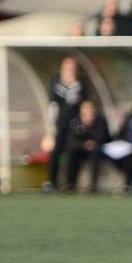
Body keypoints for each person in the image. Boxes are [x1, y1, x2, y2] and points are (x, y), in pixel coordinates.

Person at [45, 57, 86, 192]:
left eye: (72, 69)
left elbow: (84, 105)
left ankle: (70, 184)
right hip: (59, 125)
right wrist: (49, 131)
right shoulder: (56, 83)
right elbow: (52, 106)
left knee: (73, 152)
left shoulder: (81, 85)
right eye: (67, 68)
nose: (70, 71)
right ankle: (51, 182)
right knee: (55, 152)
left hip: (74, 127)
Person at [62, 99, 111, 192]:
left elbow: (105, 136)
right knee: (72, 153)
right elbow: (71, 140)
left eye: (90, 109)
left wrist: (89, 128)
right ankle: (70, 184)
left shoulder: (101, 120)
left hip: (96, 149)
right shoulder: (75, 121)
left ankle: (93, 185)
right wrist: (84, 145)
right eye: (85, 109)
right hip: (81, 149)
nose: (87, 111)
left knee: (96, 151)